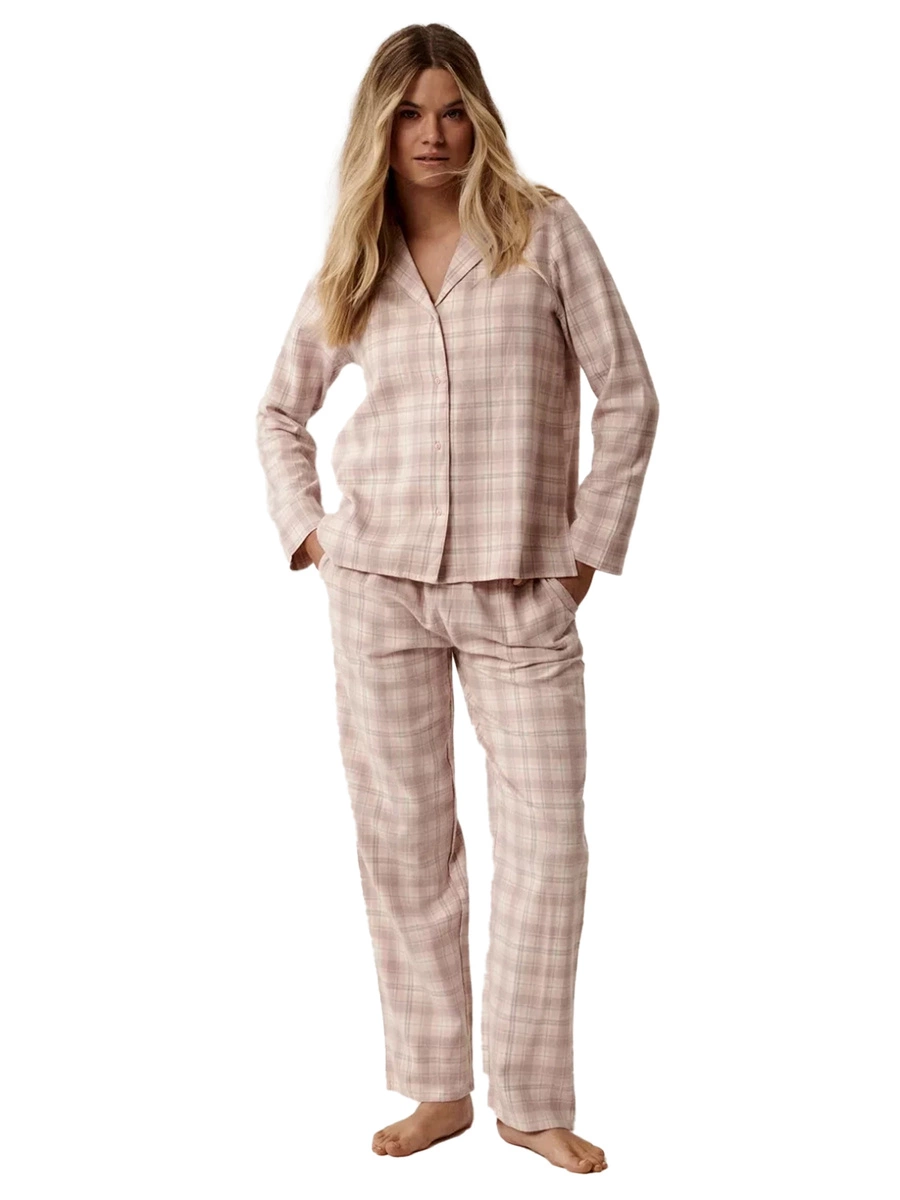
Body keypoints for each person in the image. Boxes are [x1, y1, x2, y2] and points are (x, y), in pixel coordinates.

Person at [256, 22, 659, 1174]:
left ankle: (530, 1099)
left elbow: (630, 395)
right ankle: (436, 1087)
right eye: (407, 114)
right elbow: (278, 410)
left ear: (478, 116)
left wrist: (585, 550)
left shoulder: (542, 229)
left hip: (519, 585)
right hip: (377, 584)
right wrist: (313, 535)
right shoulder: (356, 254)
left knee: (548, 844)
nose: (431, 135)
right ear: (378, 128)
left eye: (449, 110)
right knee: (405, 840)